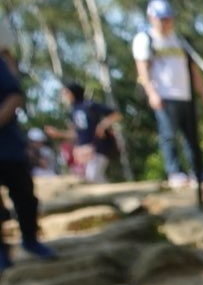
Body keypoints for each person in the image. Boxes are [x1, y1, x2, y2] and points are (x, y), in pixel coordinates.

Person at [133, 0, 203, 187]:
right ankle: (175, 172)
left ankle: (197, 172)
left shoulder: (181, 41)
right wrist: (152, 93)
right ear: (151, 18)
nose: (165, 22)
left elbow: (194, 71)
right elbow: (142, 69)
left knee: (192, 137)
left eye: (168, 18)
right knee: (169, 135)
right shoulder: (145, 39)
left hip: (186, 95)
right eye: (161, 18)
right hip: (164, 96)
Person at [0, 19, 55, 265]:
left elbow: (15, 95)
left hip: (8, 145)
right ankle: (2, 254)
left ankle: (31, 241)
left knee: (24, 195)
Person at [58, 82, 122, 183]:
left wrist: (102, 125)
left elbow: (116, 114)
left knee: (93, 176)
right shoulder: (72, 112)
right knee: (91, 177)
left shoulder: (89, 105)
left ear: (73, 93)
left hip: (98, 146)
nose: (63, 96)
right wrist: (58, 134)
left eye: (66, 93)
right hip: (85, 150)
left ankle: (113, 197)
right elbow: (77, 133)